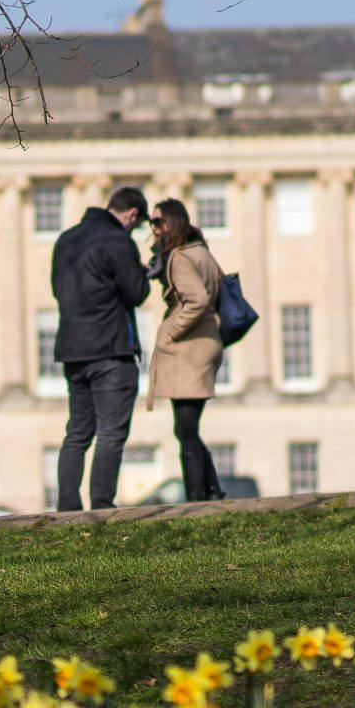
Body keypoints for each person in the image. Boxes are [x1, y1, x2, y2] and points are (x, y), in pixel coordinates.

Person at [50, 184, 150, 510]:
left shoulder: (65, 240)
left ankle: (67, 506)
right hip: (110, 350)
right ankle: (102, 505)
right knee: (110, 432)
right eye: (137, 225)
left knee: (77, 433)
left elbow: (58, 290)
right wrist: (145, 274)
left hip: (73, 350)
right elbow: (135, 293)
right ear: (133, 214)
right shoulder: (118, 241)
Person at [144, 197, 225, 500]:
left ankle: (197, 497)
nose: (153, 229)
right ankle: (211, 489)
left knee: (185, 429)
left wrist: (170, 332)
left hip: (189, 349)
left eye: (157, 222)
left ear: (172, 223)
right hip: (206, 344)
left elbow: (197, 300)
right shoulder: (200, 250)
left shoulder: (180, 257)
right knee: (188, 427)